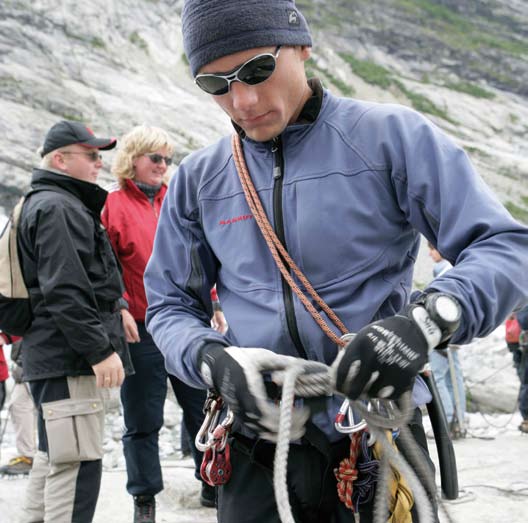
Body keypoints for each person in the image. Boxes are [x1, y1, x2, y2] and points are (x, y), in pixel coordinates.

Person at [143, 2, 528, 521]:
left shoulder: (391, 138)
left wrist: (427, 322)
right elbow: (168, 306)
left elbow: (506, 247)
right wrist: (210, 358)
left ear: (301, 46)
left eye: (258, 70)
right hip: (255, 443)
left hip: (376, 430)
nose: (244, 99)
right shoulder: (199, 180)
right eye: (216, 84)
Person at [101, 125, 223, 522]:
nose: (163, 165)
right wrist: (118, 306)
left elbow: (200, 256)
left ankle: (211, 485)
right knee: (142, 417)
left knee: (201, 408)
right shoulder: (113, 205)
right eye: (155, 158)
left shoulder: (176, 200)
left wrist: (215, 303)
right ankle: (144, 498)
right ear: (133, 158)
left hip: (187, 322)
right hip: (139, 326)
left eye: (167, 159)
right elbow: (106, 267)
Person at [16, 120, 133, 523]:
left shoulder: (47, 202)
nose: (100, 163)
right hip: (69, 357)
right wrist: (100, 351)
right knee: (78, 465)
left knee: (54, 458)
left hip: (51, 354)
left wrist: (117, 309)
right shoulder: (59, 208)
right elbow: (65, 289)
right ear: (61, 159)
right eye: (92, 155)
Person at [427, 244, 467, 438]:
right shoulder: (456, 269)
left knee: (439, 377)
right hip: (456, 336)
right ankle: (460, 420)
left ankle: (446, 420)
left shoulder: (442, 271)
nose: (429, 254)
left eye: (432, 249)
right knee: (455, 378)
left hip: (442, 335)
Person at [0, 334, 37, 477]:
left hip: (38, 359)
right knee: (19, 405)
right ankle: (29, 456)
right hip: (27, 360)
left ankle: (34, 457)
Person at [507, 304, 528, 433]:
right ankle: (526, 417)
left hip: (520, 347)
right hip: (522, 348)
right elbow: (523, 321)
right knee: (526, 382)